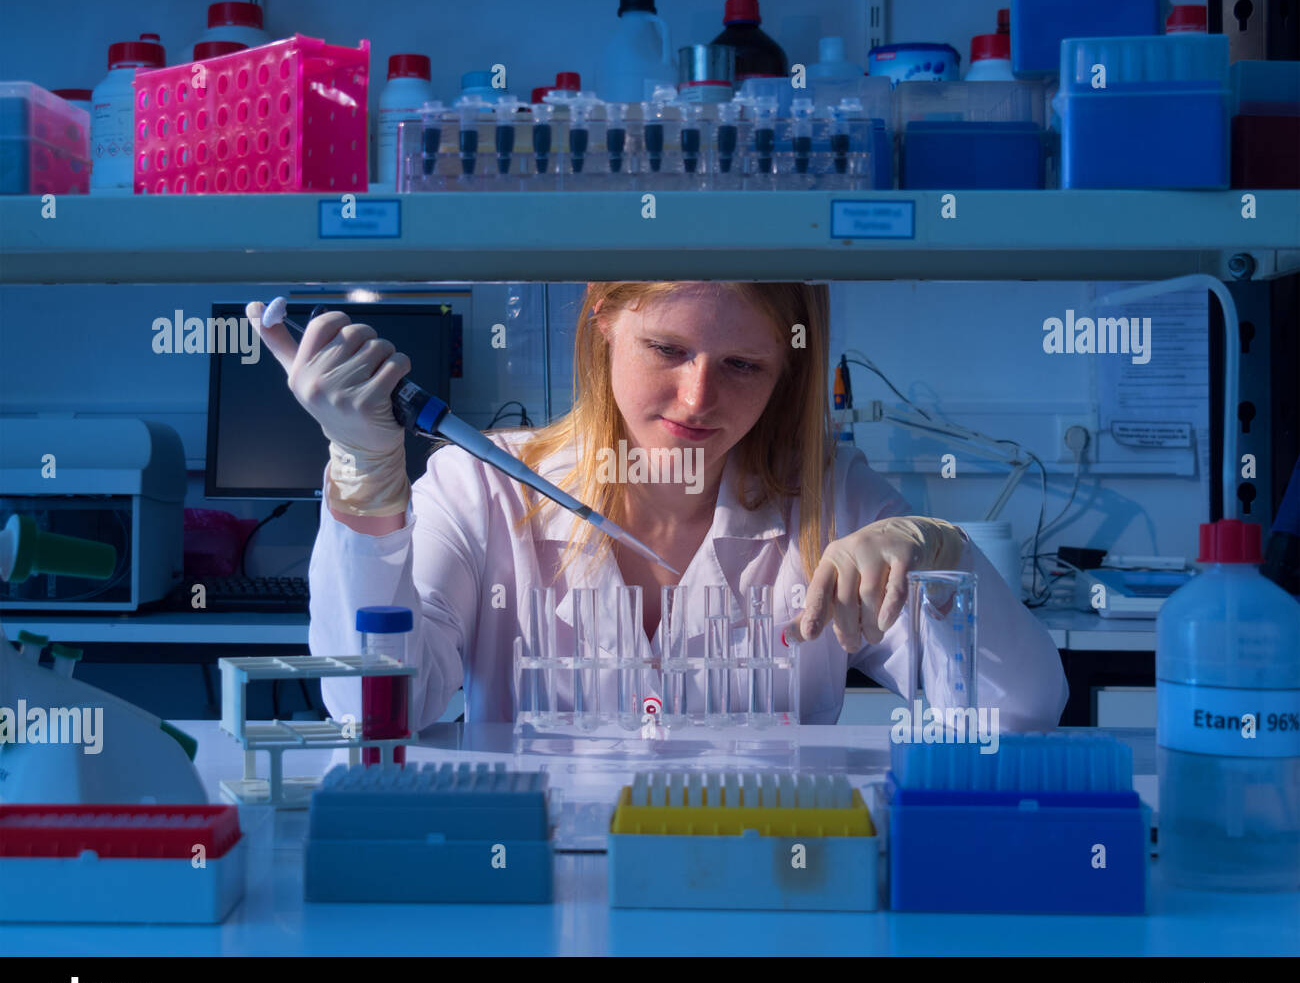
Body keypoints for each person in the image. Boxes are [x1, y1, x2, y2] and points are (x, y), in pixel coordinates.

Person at [246, 282, 1067, 729]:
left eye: (743, 364)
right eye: (668, 348)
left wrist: (940, 553)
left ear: (787, 374)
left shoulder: (830, 499)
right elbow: (369, 702)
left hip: (761, 901)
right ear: (603, 317)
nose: (697, 396)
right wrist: (364, 470)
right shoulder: (484, 487)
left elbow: (1019, 710)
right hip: (543, 900)